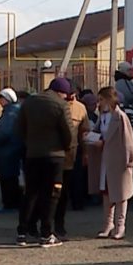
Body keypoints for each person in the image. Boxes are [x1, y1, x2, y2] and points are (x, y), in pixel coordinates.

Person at [16, 78, 73, 247]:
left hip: (32, 155)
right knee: (52, 195)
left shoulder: (29, 102)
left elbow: (19, 128)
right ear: (61, 92)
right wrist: (66, 148)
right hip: (55, 156)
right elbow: (68, 132)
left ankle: (22, 233)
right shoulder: (61, 105)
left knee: (30, 193)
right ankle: (46, 234)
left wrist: (29, 144)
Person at [87, 86, 133, 239]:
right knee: (107, 193)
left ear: (110, 99)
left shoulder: (120, 116)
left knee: (121, 193)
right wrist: (91, 138)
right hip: (105, 159)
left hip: (119, 160)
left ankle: (120, 225)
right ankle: (108, 224)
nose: (99, 103)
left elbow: (128, 139)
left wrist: (130, 159)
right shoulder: (102, 116)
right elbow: (98, 133)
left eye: (101, 99)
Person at [56, 79, 90, 239]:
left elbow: (84, 132)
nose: (70, 97)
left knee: (74, 183)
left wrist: (85, 153)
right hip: (56, 153)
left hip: (73, 153)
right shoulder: (56, 106)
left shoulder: (80, 108)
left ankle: (76, 205)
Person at [0, 88, 23, 213]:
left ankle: (10, 205)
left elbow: (5, 132)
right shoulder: (12, 111)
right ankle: (12, 203)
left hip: (7, 151)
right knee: (10, 179)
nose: (0, 101)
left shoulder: (10, 113)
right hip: (10, 150)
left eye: (1, 99)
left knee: (8, 180)